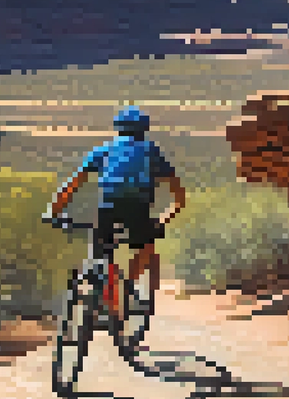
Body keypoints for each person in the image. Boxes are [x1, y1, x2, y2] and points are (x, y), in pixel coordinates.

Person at [44, 106, 185, 319]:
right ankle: (127, 287)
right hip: (139, 208)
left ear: (117, 129)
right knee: (145, 246)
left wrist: (53, 212)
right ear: (144, 130)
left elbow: (72, 185)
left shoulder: (104, 151)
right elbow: (179, 196)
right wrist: (165, 218)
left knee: (100, 250)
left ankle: (101, 291)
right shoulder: (151, 151)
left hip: (107, 208)